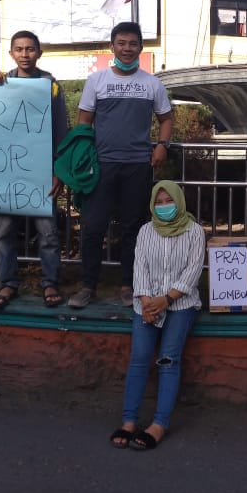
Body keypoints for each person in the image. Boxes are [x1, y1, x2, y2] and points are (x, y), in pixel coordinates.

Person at [68, 22, 174, 309]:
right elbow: (84, 122)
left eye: (133, 43)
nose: (127, 49)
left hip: (138, 166)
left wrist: (162, 145)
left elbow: (166, 119)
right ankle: (88, 286)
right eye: (122, 43)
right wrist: (83, 157)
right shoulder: (96, 80)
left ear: (141, 47)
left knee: (133, 229)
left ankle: (129, 286)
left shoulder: (152, 83)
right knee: (93, 228)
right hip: (102, 166)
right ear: (112, 46)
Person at [109, 180, 205, 451]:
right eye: (159, 202)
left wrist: (167, 299)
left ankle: (159, 424)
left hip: (180, 304)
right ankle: (129, 421)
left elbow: (193, 271)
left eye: (169, 201)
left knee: (168, 359)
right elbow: (139, 267)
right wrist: (146, 302)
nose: (164, 206)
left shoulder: (195, 231)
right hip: (147, 303)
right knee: (139, 358)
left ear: (179, 201)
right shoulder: (146, 231)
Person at [0, 30, 69, 309]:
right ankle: (7, 283)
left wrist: (58, 171)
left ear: (39, 53)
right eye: (19, 49)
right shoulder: (0, 83)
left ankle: (50, 282)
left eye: (30, 49)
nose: (24, 54)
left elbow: (60, 129)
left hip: (40, 171)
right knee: (3, 232)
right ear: (11, 54)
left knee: (48, 233)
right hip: (5, 170)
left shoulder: (51, 86)